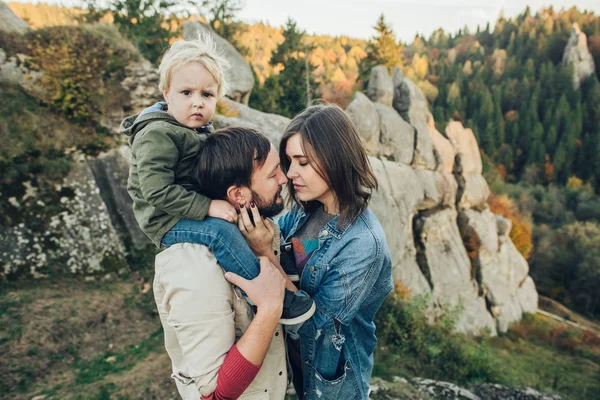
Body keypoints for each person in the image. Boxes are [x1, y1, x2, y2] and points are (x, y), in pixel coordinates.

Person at [120, 34, 314, 325]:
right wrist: (207, 207)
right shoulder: (157, 135)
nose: (197, 103)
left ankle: (279, 258)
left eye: (207, 95)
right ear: (166, 93)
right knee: (219, 233)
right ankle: (267, 292)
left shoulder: (194, 128)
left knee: (247, 209)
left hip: (186, 205)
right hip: (165, 219)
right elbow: (155, 191)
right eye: (186, 93)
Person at [245, 104, 394, 400]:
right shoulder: (305, 214)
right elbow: (276, 236)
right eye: (289, 161)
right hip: (298, 370)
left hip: (334, 386)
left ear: (336, 158)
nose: (290, 174)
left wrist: (266, 254)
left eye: (303, 162)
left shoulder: (363, 244)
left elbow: (313, 326)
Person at [153, 127, 294, 399]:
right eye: (273, 172)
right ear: (238, 195)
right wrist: (269, 309)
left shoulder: (263, 233)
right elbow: (215, 393)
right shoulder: (192, 265)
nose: (284, 178)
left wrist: (264, 251)